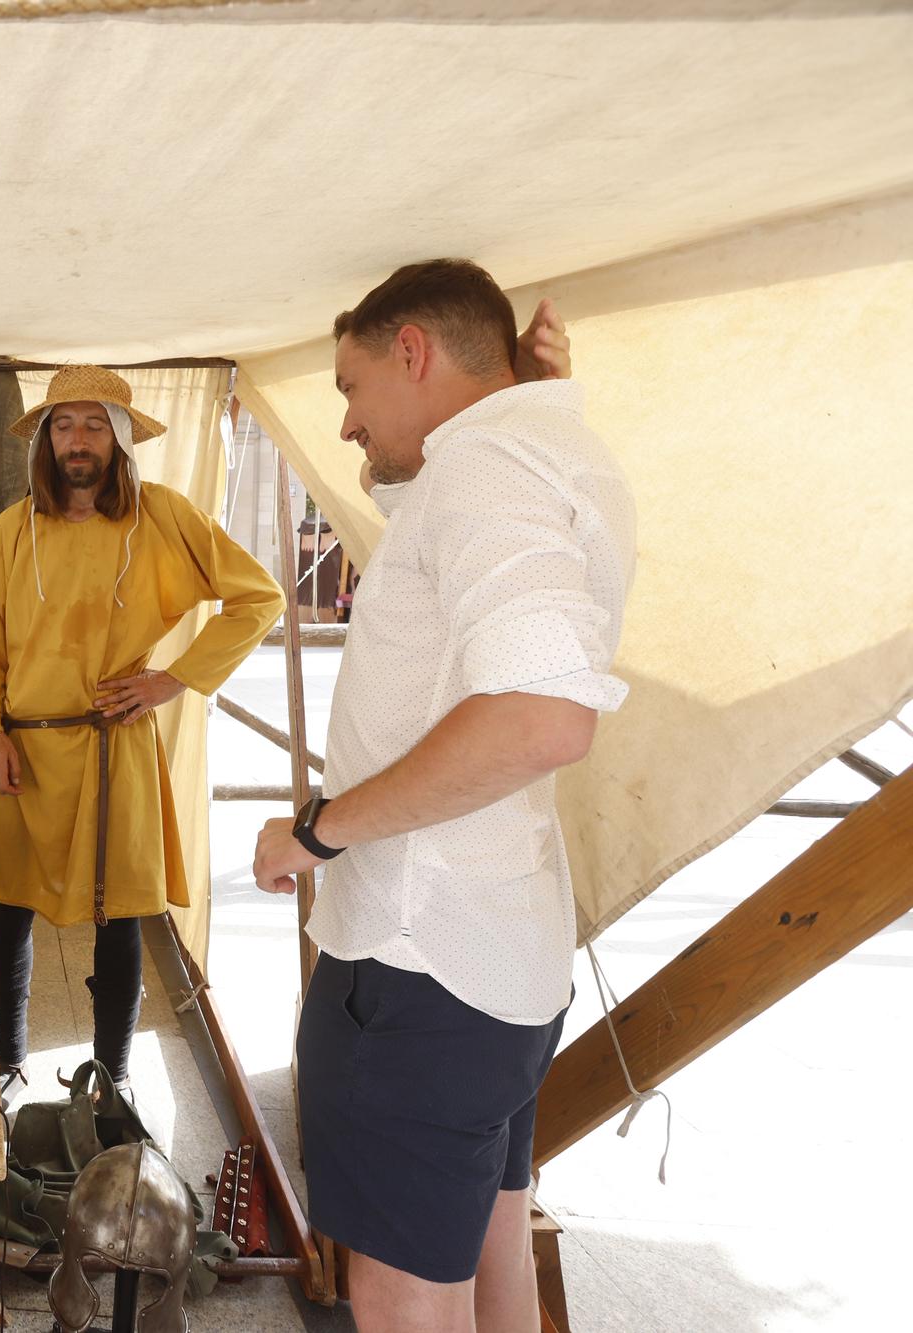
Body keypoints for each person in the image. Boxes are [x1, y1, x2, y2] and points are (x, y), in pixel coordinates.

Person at [253, 261, 631, 1333]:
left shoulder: (488, 470)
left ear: (411, 350)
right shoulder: (543, 451)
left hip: (418, 968)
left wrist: (317, 832)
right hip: (494, 956)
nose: (343, 424)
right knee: (488, 1244)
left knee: (404, 1295)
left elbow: (538, 717)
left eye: (348, 386)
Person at [0, 366, 285, 1090]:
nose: (78, 439)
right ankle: (10, 1061)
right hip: (25, 747)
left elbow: (257, 598)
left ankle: (111, 1079)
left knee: (120, 920)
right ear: (46, 438)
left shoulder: (163, 517)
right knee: (8, 912)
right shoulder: (13, 530)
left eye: (93, 424)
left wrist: (174, 678)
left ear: (119, 437)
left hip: (116, 751)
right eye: (63, 424)